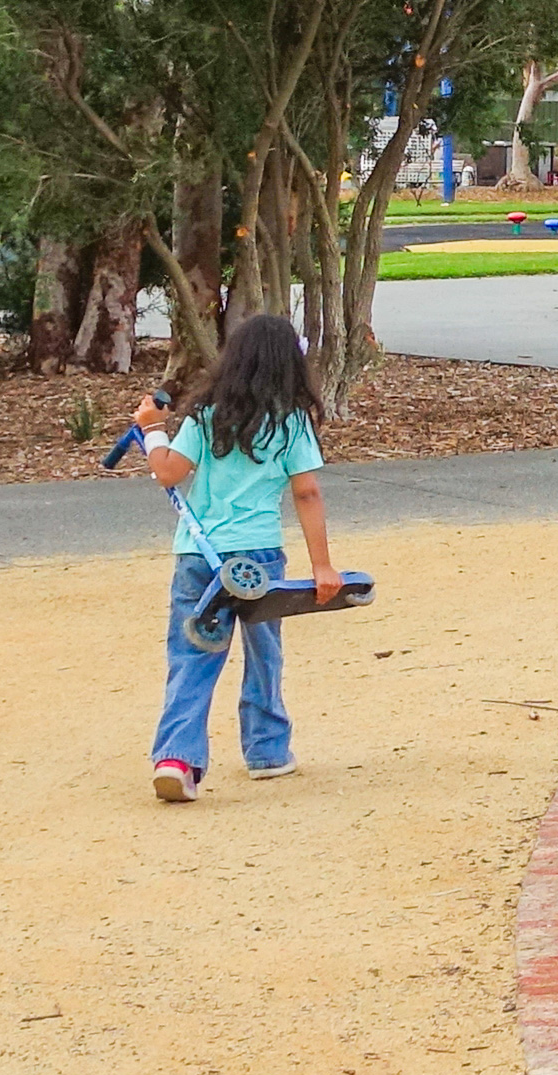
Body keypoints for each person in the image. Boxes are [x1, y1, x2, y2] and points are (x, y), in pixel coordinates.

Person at [134, 315, 340, 803]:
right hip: (258, 556)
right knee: (264, 649)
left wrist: (152, 431)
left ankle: (176, 758)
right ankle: (267, 750)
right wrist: (322, 566)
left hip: (198, 554)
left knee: (192, 652)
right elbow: (306, 493)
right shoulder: (291, 422)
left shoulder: (205, 418)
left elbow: (168, 473)